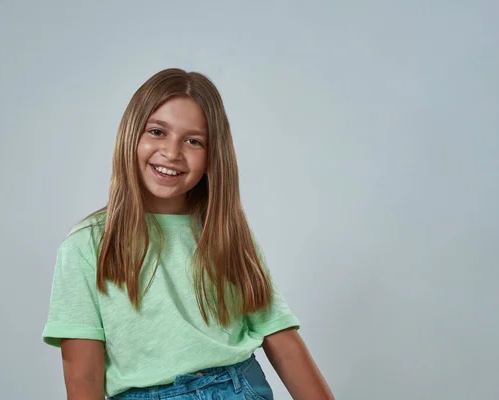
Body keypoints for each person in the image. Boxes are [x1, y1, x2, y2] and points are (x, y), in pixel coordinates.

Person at [42, 68, 334, 400]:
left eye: (193, 141)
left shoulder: (226, 234)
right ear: (130, 135)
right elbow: (83, 378)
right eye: (157, 131)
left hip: (237, 388)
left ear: (212, 156)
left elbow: (282, 341)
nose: (172, 152)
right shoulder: (88, 244)